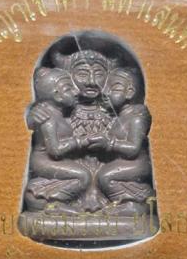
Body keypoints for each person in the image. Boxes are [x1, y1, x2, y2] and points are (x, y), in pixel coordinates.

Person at [85, 67, 155, 214]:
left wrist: (109, 144)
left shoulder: (136, 118)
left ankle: (134, 203)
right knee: (98, 174)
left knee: (106, 177)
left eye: (114, 88)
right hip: (121, 162)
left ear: (129, 92)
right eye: (106, 87)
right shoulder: (119, 117)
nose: (106, 92)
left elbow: (134, 148)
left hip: (136, 164)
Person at [24, 67, 90, 214]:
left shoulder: (57, 114)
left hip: (55, 159)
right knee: (83, 176)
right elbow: (55, 150)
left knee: (85, 172)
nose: (76, 91)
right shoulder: (48, 118)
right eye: (68, 88)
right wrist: (80, 141)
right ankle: (53, 203)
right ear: (57, 96)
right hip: (44, 160)